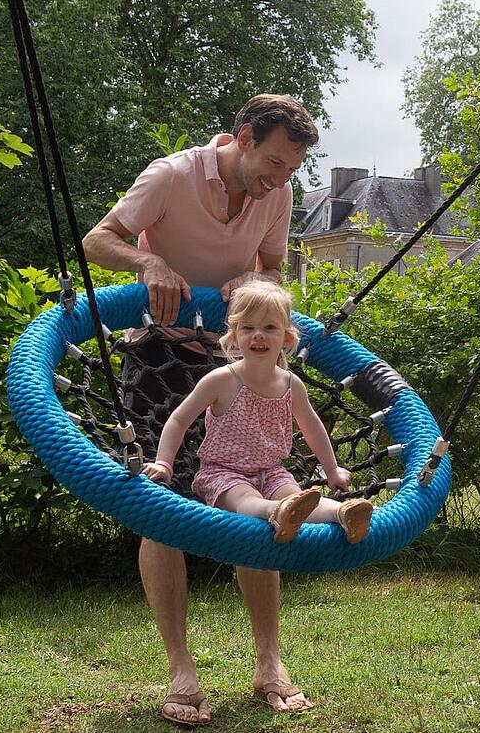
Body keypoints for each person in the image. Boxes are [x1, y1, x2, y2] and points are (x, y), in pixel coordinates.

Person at [82, 94, 320, 726]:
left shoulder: (277, 192)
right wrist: (149, 261)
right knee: (159, 511)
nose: (278, 179)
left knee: (258, 496)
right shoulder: (171, 175)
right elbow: (96, 241)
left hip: (242, 361)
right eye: (271, 162)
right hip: (161, 354)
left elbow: (270, 266)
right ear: (241, 136)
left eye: (290, 170)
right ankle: (182, 672)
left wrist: (254, 285)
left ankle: (269, 661)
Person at [142, 281, 373, 544]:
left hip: (272, 471)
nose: (258, 335)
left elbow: (312, 427)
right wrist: (163, 462)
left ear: (286, 338)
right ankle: (276, 512)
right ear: (234, 336)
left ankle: (344, 513)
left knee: (297, 498)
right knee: (244, 499)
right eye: (248, 328)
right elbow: (178, 420)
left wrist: (332, 471)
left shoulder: (290, 384)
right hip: (223, 474)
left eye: (269, 328)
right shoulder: (220, 380)